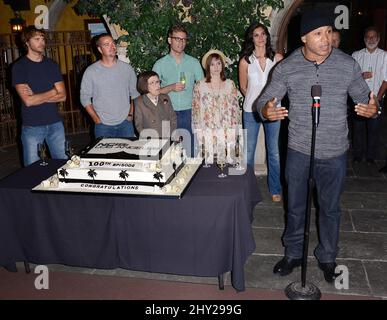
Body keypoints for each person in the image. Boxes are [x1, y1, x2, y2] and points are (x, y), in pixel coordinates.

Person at [255, 9, 378, 283]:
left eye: (329, 32)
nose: (327, 39)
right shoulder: (286, 67)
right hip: (299, 150)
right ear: (304, 38)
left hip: (334, 152)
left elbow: (366, 98)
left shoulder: (347, 65)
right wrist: (266, 110)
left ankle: (327, 257)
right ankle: (293, 253)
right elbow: (263, 102)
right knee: (296, 206)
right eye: (318, 33)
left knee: (330, 208)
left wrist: (373, 108)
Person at [238, 22, 283, 202]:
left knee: (274, 152)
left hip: (274, 111)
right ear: (252, 38)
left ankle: (275, 189)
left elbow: (283, 85)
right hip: (251, 111)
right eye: (256, 35)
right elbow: (243, 87)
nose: (260, 38)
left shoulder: (278, 58)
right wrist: (255, 101)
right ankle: (247, 189)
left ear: (267, 36)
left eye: (263, 34)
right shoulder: (245, 61)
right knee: (248, 152)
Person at [12, 26, 67, 166]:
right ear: (26, 42)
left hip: (55, 123)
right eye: (37, 39)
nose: (41, 42)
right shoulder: (20, 67)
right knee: (33, 169)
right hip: (32, 126)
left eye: (42, 38)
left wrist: (37, 97)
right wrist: (53, 91)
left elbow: (63, 96)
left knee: (63, 165)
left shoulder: (52, 65)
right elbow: (28, 101)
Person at [152, 25, 204, 150]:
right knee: (168, 151)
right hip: (167, 112)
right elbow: (153, 92)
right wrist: (170, 87)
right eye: (177, 39)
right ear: (169, 40)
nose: (181, 43)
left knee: (190, 149)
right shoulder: (160, 64)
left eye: (184, 39)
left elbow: (202, 88)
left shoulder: (194, 63)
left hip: (189, 112)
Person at [80, 33, 140, 139]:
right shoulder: (91, 71)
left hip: (125, 124)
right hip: (103, 126)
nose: (112, 46)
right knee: (105, 155)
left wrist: (130, 115)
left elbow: (135, 94)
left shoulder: (127, 69)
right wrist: (96, 119)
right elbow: (84, 98)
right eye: (107, 44)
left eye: (113, 43)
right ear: (99, 49)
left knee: (126, 155)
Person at [192, 49, 241, 160]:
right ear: (208, 67)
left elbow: (235, 109)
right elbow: (196, 110)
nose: (216, 67)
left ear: (222, 65)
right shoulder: (199, 85)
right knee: (209, 161)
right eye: (212, 64)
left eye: (218, 63)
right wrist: (199, 131)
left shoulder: (230, 84)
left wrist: (234, 129)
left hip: (226, 128)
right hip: (207, 128)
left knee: (227, 160)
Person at [351, 26, 387, 163]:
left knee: (374, 129)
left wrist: (378, 98)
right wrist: (360, 76)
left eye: (373, 37)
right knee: (358, 128)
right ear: (364, 38)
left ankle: (371, 156)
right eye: (368, 36)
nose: (371, 39)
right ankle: (358, 155)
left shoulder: (384, 55)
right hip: (359, 99)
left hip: (377, 98)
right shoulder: (356, 55)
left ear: (378, 38)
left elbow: (386, 79)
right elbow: (350, 77)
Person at [134, 71, 176, 138]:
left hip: (167, 137)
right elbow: (139, 125)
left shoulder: (165, 98)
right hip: (150, 139)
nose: (157, 85)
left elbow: (173, 118)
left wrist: (170, 134)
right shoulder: (139, 102)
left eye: (157, 82)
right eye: (152, 83)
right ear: (145, 85)